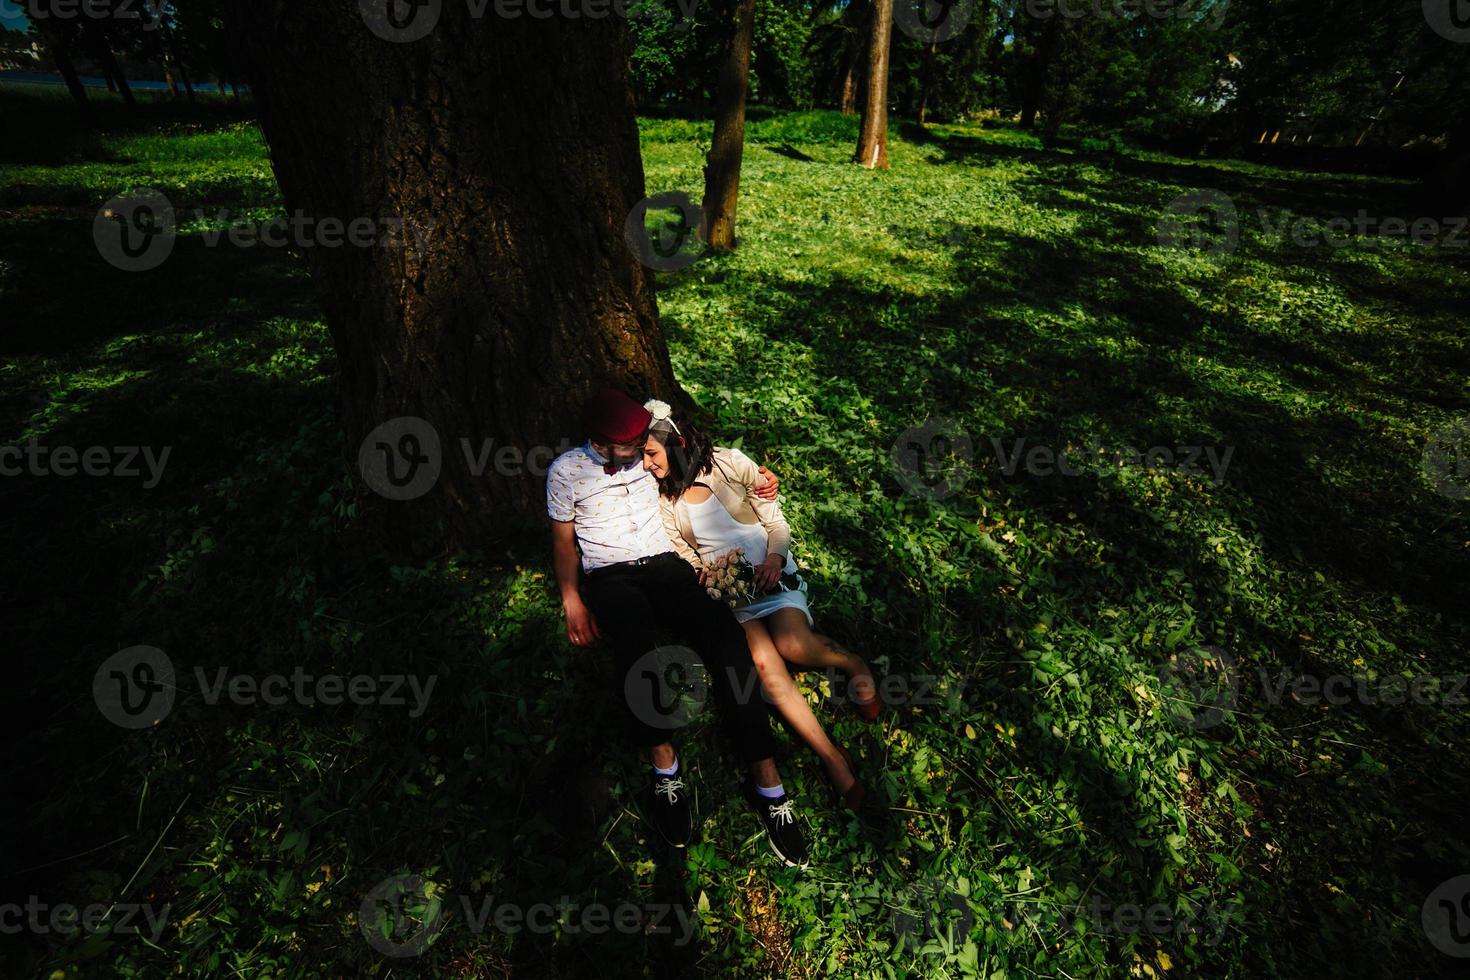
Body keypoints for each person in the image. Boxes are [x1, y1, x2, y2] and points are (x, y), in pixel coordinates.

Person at [547, 387, 808, 868]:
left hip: (668, 566)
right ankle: (666, 771)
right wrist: (571, 599)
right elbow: (564, 544)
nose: (643, 455)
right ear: (602, 443)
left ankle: (768, 785)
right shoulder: (566, 472)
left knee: (729, 643)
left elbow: (708, 455)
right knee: (635, 650)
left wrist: (765, 481)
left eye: (646, 444)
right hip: (610, 575)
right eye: (632, 447)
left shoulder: (653, 455)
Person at [639, 399, 882, 813]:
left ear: (676, 443)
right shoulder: (665, 499)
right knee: (766, 666)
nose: (646, 464)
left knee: (792, 646)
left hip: (772, 573)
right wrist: (707, 574)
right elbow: (686, 553)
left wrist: (773, 560)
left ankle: (853, 663)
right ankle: (833, 758)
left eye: (651, 454)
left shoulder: (730, 464)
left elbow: (776, 523)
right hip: (734, 597)